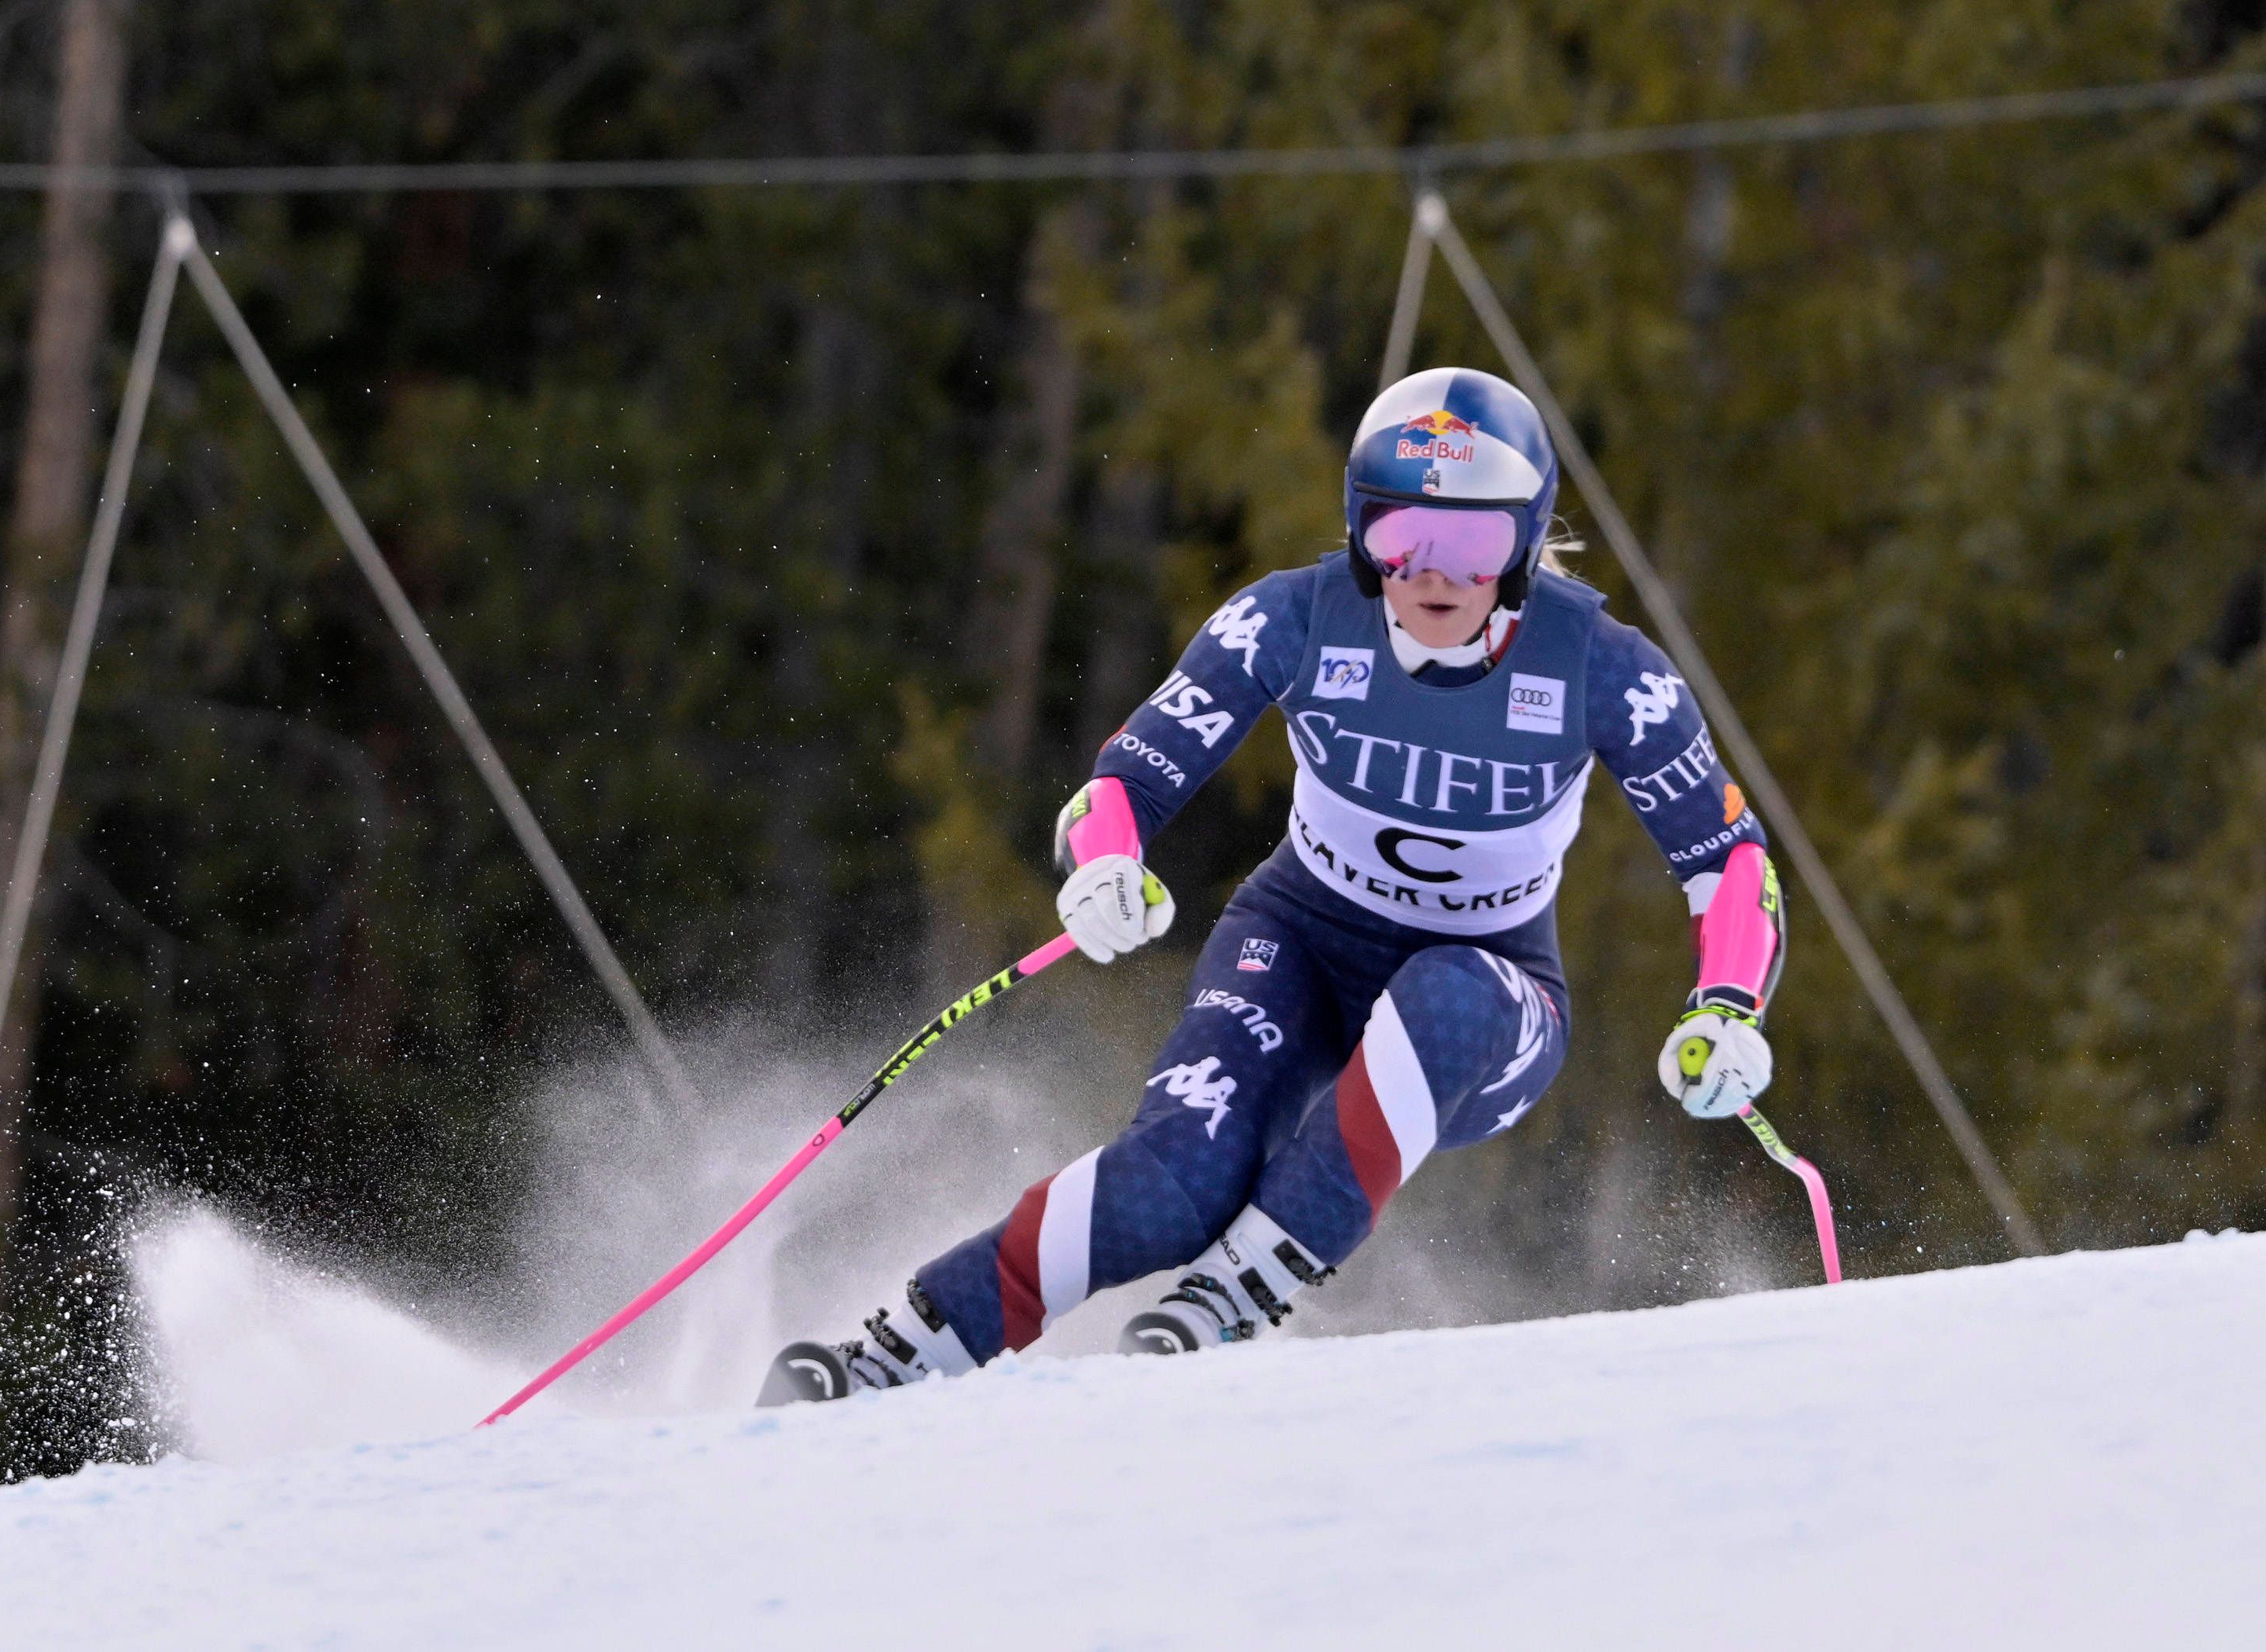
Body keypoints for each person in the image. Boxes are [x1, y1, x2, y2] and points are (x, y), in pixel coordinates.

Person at [759, 366, 1786, 1405]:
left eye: (1472, 544)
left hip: (1494, 1003)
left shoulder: (1604, 669)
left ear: (1522, 546)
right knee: (1173, 1183)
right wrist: (1106, 862)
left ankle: (1236, 1293)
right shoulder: (1293, 620)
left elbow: (1730, 861)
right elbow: (1124, 779)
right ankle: (894, 1357)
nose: (1432, 574)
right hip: (1298, 944)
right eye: (1399, 538)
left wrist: (1729, 1008)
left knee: (1446, 994)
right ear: (1359, 535)